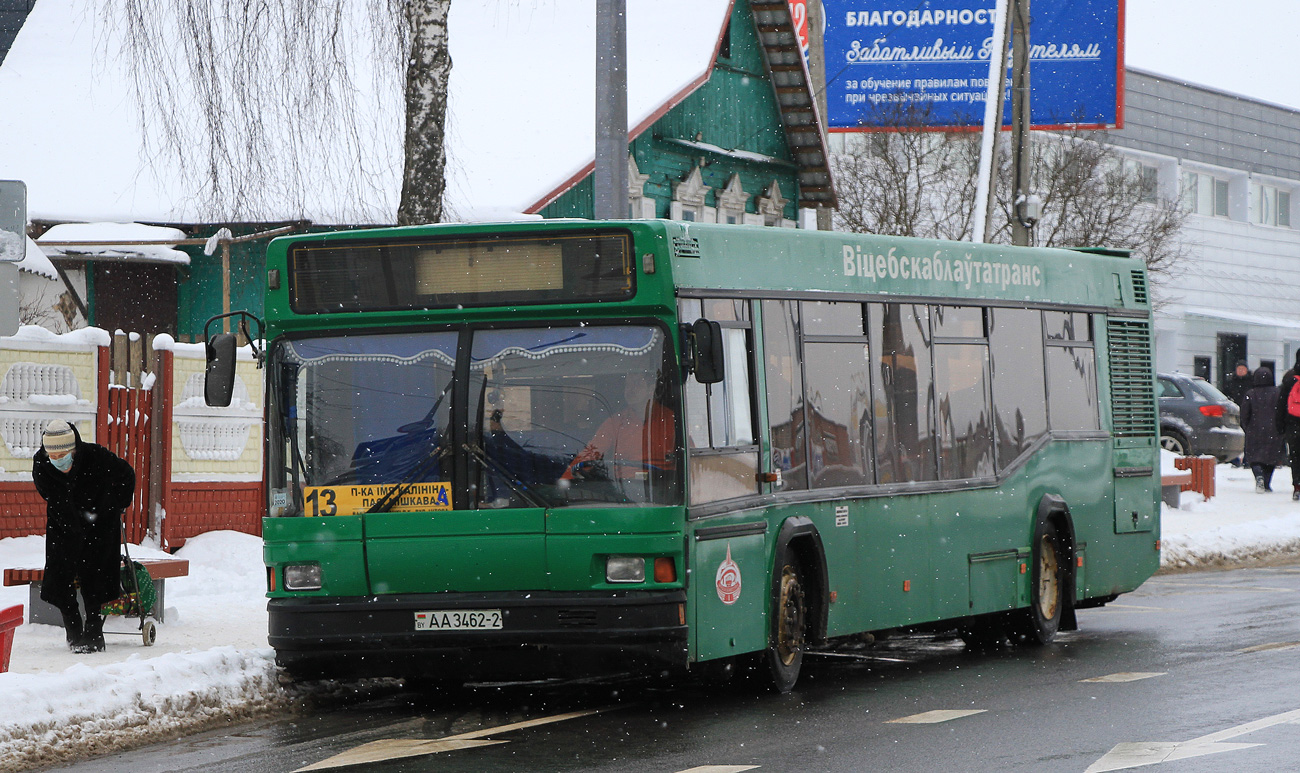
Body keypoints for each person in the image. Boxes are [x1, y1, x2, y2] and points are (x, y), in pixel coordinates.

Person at [32, 420, 136, 653]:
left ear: (75, 449)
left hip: (99, 526)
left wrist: (114, 506)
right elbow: (47, 492)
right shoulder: (42, 465)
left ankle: (94, 630)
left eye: (64, 454)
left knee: (95, 574)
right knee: (59, 575)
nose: (60, 460)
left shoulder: (96, 457)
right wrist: (66, 512)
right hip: (63, 527)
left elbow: (127, 475)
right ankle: (72, 624)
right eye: (54, 455)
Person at [563, 371, 676, 481]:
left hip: (664, 490)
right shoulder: (616, 422)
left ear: (651, 389)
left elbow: (689, 460)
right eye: (628, 385)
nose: (630, 390)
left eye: (637, 384)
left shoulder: (670, 420)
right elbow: (590, 453)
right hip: (624, 490)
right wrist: (566, 483)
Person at [1241, 366, 1286, 493]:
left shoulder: (1251, 394)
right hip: (1274, 430)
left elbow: (1244, 414)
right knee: (1271, 458)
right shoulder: (1278, 393)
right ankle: (1266, 483)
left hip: (1254, 430)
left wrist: (1247, 427)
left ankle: (1258, 476)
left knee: (1254, 457)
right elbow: (1282, 411)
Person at [1276, 352, 1300, 500]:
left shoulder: (1290, 379)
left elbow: (1281, 404)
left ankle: (1297, 486)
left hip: (1293, 425)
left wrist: (1280, 426)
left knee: (1296, 456)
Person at [1224, 360, 1252, 466]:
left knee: (1247, 437)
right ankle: (1234, 459)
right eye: (1238, 369)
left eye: (1242, 369)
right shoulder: (1231, 382)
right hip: (1234, 413)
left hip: (1248, 413)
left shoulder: (1251, 381)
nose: (1240, 371)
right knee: (1235, 436)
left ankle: (1247, 459)